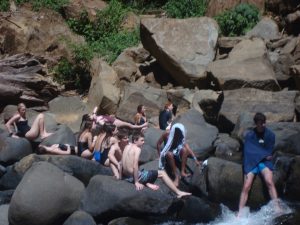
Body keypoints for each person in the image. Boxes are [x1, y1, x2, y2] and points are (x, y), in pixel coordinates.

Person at [121, 132, 192, 198]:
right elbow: (135, 166)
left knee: (144, 171)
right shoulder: (137, 149)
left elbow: (121, 163)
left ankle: (147, 183)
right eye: (141, 140)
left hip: (127, 176)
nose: (143, 142)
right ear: (135, 141)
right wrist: (136, 182)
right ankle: (178, 192)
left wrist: (119, 176)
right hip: (135, 177)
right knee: (162, 173)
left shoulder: (127, 146)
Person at [237, 112, 280, 217]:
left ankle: (277, 207)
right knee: (246, 185)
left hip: (264, 162)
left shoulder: (270, 135)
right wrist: (262, 155)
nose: (263, 125)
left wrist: (264, 156)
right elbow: (248, 151)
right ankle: (240, 212)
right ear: (256, 124)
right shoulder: (250, 135)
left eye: (264, 122)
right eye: (261, 123)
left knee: (269, 181)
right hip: (251, 161)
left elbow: (269, 151)